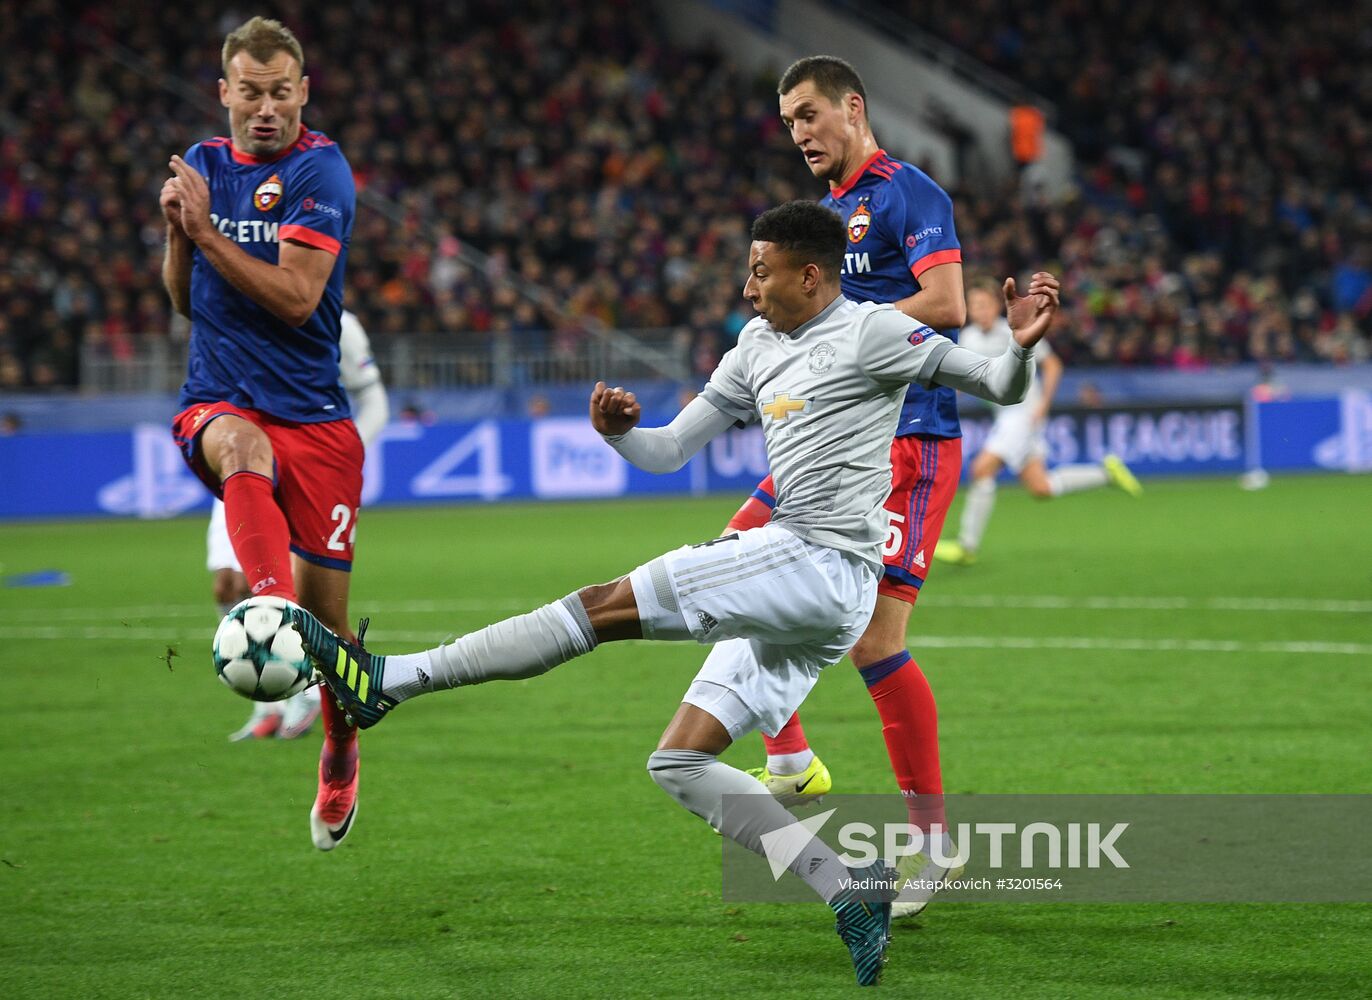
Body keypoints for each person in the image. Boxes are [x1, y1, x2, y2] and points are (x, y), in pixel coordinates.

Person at [287, 203, 1061, 985]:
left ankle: (390, 682)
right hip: (815, 590)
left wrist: (1025, 349)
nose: (748, 285)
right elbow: (668, 451)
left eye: (761, 270)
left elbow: (995, 381)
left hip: (819, 561)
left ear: (811, 275)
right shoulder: (754, 347)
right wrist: (621, 433)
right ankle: (845, 887)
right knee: (679, 763)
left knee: (599, 607)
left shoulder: (874, 332)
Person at [722, 56, 967, 913]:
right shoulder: (822, 220)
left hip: (910, 446)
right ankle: (790, 756)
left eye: (808, 116)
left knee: (874, 641)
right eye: (788, 123)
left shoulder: (909, 195)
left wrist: (843, 340)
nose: (799, 135)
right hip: (828, 450)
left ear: (852, 108)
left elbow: (944, 303)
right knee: (731, 559)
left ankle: (934, 846)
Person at [161, 16, 363, 851]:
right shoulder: (204, 167)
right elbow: (182, 299)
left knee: (335, 642)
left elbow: (295, 299)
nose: (267, 108)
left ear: (302, 92)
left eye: (282, 92)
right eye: (251, 92)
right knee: (240, 446)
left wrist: (203, 233)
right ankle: (268, 604)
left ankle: (342, 749)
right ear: (225, 93)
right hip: (221, 401)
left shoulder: (322, 170)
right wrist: (179, 233)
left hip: (315, 420)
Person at [225, 310, 389, 741]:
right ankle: (267, 703)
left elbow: (375, 401)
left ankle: (304, 692)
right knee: (229, 584)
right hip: (245, 460)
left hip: (309, 471)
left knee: (297, 595)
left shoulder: (340, 322)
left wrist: (341, 458)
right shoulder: (230, 307)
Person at [935, 281, 1141, 566]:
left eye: (984, 304)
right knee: (1040, 487)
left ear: (996, 306)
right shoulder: (967, 337)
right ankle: (1106, 473)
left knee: (981, 469)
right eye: (974, 305)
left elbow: (1053, 364)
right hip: (1005, 416)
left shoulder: (1013, 328)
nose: (979, 311)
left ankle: (967, 546)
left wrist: (1044, 403)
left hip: (1022, 412)